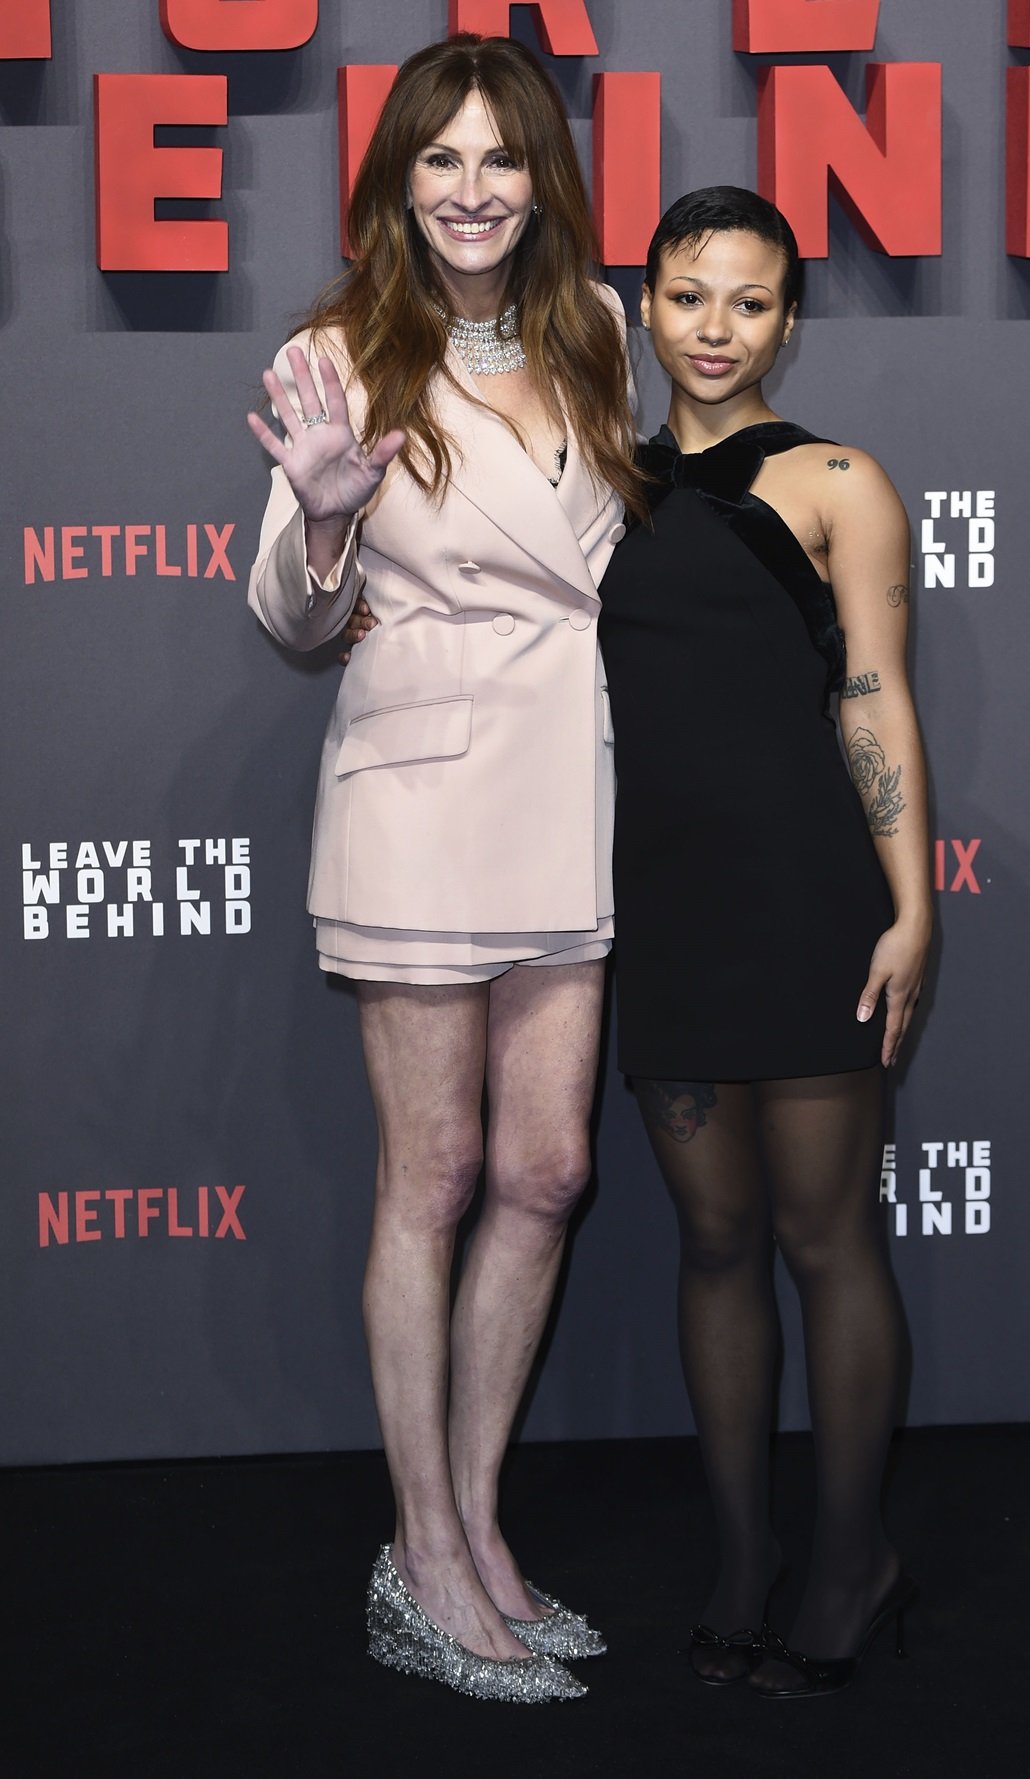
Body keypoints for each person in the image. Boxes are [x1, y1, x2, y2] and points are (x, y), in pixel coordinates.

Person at [245, 33, 641, 1704]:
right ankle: (417, 1556)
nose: (472, 192)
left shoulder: (601, 329)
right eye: (440, 160)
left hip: (566, 788)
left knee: (547, 1172)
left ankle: (478, 1531)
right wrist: (328, 519)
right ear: (395, 181)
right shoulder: (339, 353)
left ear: (542, 176)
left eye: (501, 159)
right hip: (417, 798)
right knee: (437, 1171)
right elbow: (287, 619)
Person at [595, 187, 931, 1698]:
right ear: (645, 307)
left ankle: (851, 1551)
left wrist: (912, 900)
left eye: (748, 301)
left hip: (807, 910)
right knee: (715, 1244)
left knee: (822, 1239)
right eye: (687, 296)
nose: (715, 329)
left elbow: (871, 695)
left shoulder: (841, 480)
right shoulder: (598, 481)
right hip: (660, 913)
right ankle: (742, 1555)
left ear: (790, 318)